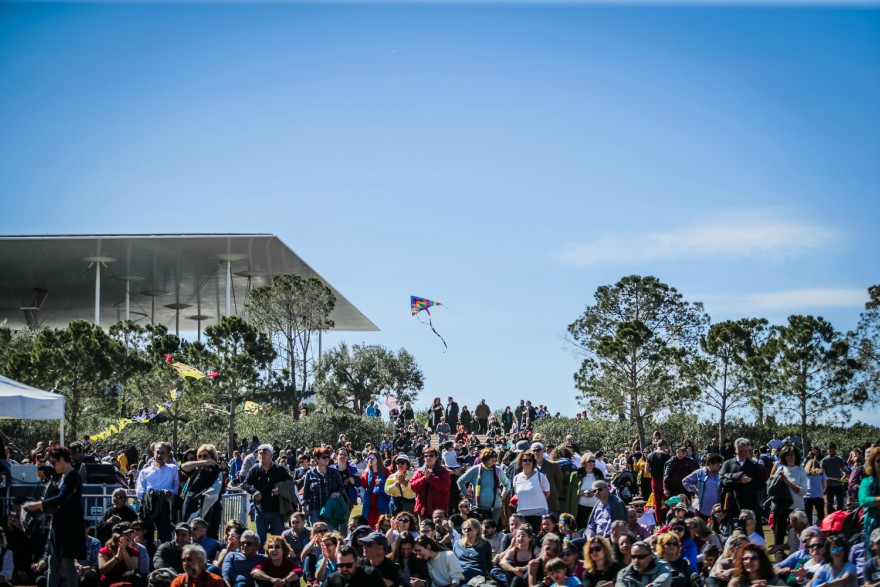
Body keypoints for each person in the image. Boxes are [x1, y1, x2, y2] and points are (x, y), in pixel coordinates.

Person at [25, 445, 87, 587]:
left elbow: (61, 498)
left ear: (61, 460)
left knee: (68, 562)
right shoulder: (62, 475)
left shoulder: (73, 476)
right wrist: (40, 465)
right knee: (53, 562)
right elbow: (41, 473)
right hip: (59, 525)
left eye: (53, 462)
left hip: (69, 525)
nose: (52, 466)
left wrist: (38, 505)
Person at [242, 444, 293, 547]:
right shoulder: (255, 469)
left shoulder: (279, 469)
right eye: (260, 453)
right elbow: (245, 484)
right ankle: (262, 561)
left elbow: (290, 482)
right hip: (260, 511)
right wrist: (254, 491)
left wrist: (280, 490)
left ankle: (277, 560)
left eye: (265, 453)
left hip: (277, 511)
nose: (262, 455)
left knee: (277, 539)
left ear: (271, 456)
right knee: (260, 539)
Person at [135, 442, 180, 546]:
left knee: (166, 538)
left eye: (163, 453)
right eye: (158, 452)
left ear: (168, 454)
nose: (159, 456)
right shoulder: (145, 471)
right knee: (147, 538)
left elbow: (175, 488)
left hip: (165, 507)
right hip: (148, 507)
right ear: (153, 452)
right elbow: (139, 491)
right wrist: (152, 497)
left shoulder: (172, 469)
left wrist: (166, 495)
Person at [457, 447, 512, 524]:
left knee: (492, 529)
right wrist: (466, 494)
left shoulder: (498, 470)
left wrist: (504, 494)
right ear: (485, 458)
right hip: (477, 507)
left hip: (496, 507)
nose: (494, 459)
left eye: (495, 457)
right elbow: (460, 481)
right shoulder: (475, 469)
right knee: (478, 530)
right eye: (491, 457)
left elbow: (507, 484)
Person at [770, 447, 808, 555]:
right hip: (781, 506)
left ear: (796, 456)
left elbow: (803, 491)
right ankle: (779, 558)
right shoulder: (780, 470)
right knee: (779, 535)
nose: (789, 457)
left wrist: (787, 482)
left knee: (798, 536)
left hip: (796, 507)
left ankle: (799, 556)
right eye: (787, 455)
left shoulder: (801, 471)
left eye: (792, 455)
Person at [180, 444, 225, 536]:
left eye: (205, 456)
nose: (202, 458)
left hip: (211, 510)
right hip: (194, 509)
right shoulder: (197, 471)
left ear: (212, 457)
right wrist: (202, 463)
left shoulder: (217, 472)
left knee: (209, 537)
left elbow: (216, 491)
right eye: (199, 456)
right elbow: (183, 467)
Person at [719, 438, 763, 522]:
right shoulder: (728, 464)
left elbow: (761, 484)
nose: (743, 453)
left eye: (746, 451)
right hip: (732, 504)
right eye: (741, 451)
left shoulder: (754, 465)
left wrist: (750, 480)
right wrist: (737, 481)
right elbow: (721, 481)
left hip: (750, 504)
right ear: (736, 450)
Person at [301, 447, 345, 525]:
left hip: (331, 509)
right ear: (317, 459)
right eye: (324, 457)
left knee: (331, 534)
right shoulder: (309, 473)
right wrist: (304, 508)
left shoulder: (334, 472)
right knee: (317, 533)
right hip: (315, 509)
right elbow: (305, 493)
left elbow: (342, 487)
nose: (327, 459)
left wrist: (338, 493)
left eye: (328, 457)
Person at [513, 450, 551, 530]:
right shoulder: (516, 478)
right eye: (525, 460)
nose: (527, 462)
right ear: (520, 462)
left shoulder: (540, 476)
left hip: (539, 514)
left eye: (530, 460)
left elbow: (547, 493)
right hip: (522, 515)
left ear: (533, 462)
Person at [410, 448, 451, 520]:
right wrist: (424, 478)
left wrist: (431, 478)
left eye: (431, 456)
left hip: (438, 512)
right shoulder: (419, 471)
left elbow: (445, 487)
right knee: (424, 531)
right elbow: (413, 487)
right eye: (426, 456)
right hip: (423, 511)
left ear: (436, 457)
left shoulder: (443, 471)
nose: (428, 458)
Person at [682, 453, 724, 520]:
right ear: (710, 464)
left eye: (720, 465)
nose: (719, 468)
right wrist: (694, 490)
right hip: (702, 509)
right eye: (717, 465)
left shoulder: (721, 475)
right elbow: (685, 481)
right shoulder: (700, 473)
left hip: (717, 510)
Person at [532, 442, 564, 514]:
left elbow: (559, 484)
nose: (536, 452)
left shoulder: (554, 465)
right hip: (534, 504)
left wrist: (553, 494)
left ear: (543, 450)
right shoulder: (530, 466)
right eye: (534, 450)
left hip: (550, 503)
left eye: (538, 450)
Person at [859, 446, 880, 551]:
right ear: (873, 463)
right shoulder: (866, 481)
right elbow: (863, 500)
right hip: (873, 525)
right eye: (879, 461)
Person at [647, 441, 672, 524]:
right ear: (664, 445)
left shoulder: (650, 455)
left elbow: (646, 470)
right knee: (668, 501)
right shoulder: (667, 455)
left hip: (654, 480)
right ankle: (669, 520)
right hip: (664, 481)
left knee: (657, 503)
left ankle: (659, 523)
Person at [820, 444, 848, 515]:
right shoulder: (824, 460)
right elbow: (821, 473)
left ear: (835, 449)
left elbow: (846, 471)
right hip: (829, 485)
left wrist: (842, 479)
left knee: (840, 503)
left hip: (838, 485)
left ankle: (840, 517)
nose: (831, 451)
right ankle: (830, 518)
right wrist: (824, 481)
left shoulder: (839, 459)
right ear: (827, 450)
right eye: (829, 449)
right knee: (829, 504)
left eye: (832, 449)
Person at [803, 457, 827, 526]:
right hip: (818, 496)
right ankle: (820, 527)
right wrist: (821, 492)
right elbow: (825, 485)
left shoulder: (805, 473)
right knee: (821, 515)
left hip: (807, 496)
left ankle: (809, 528)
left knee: (808, 515)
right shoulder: (821, 473)